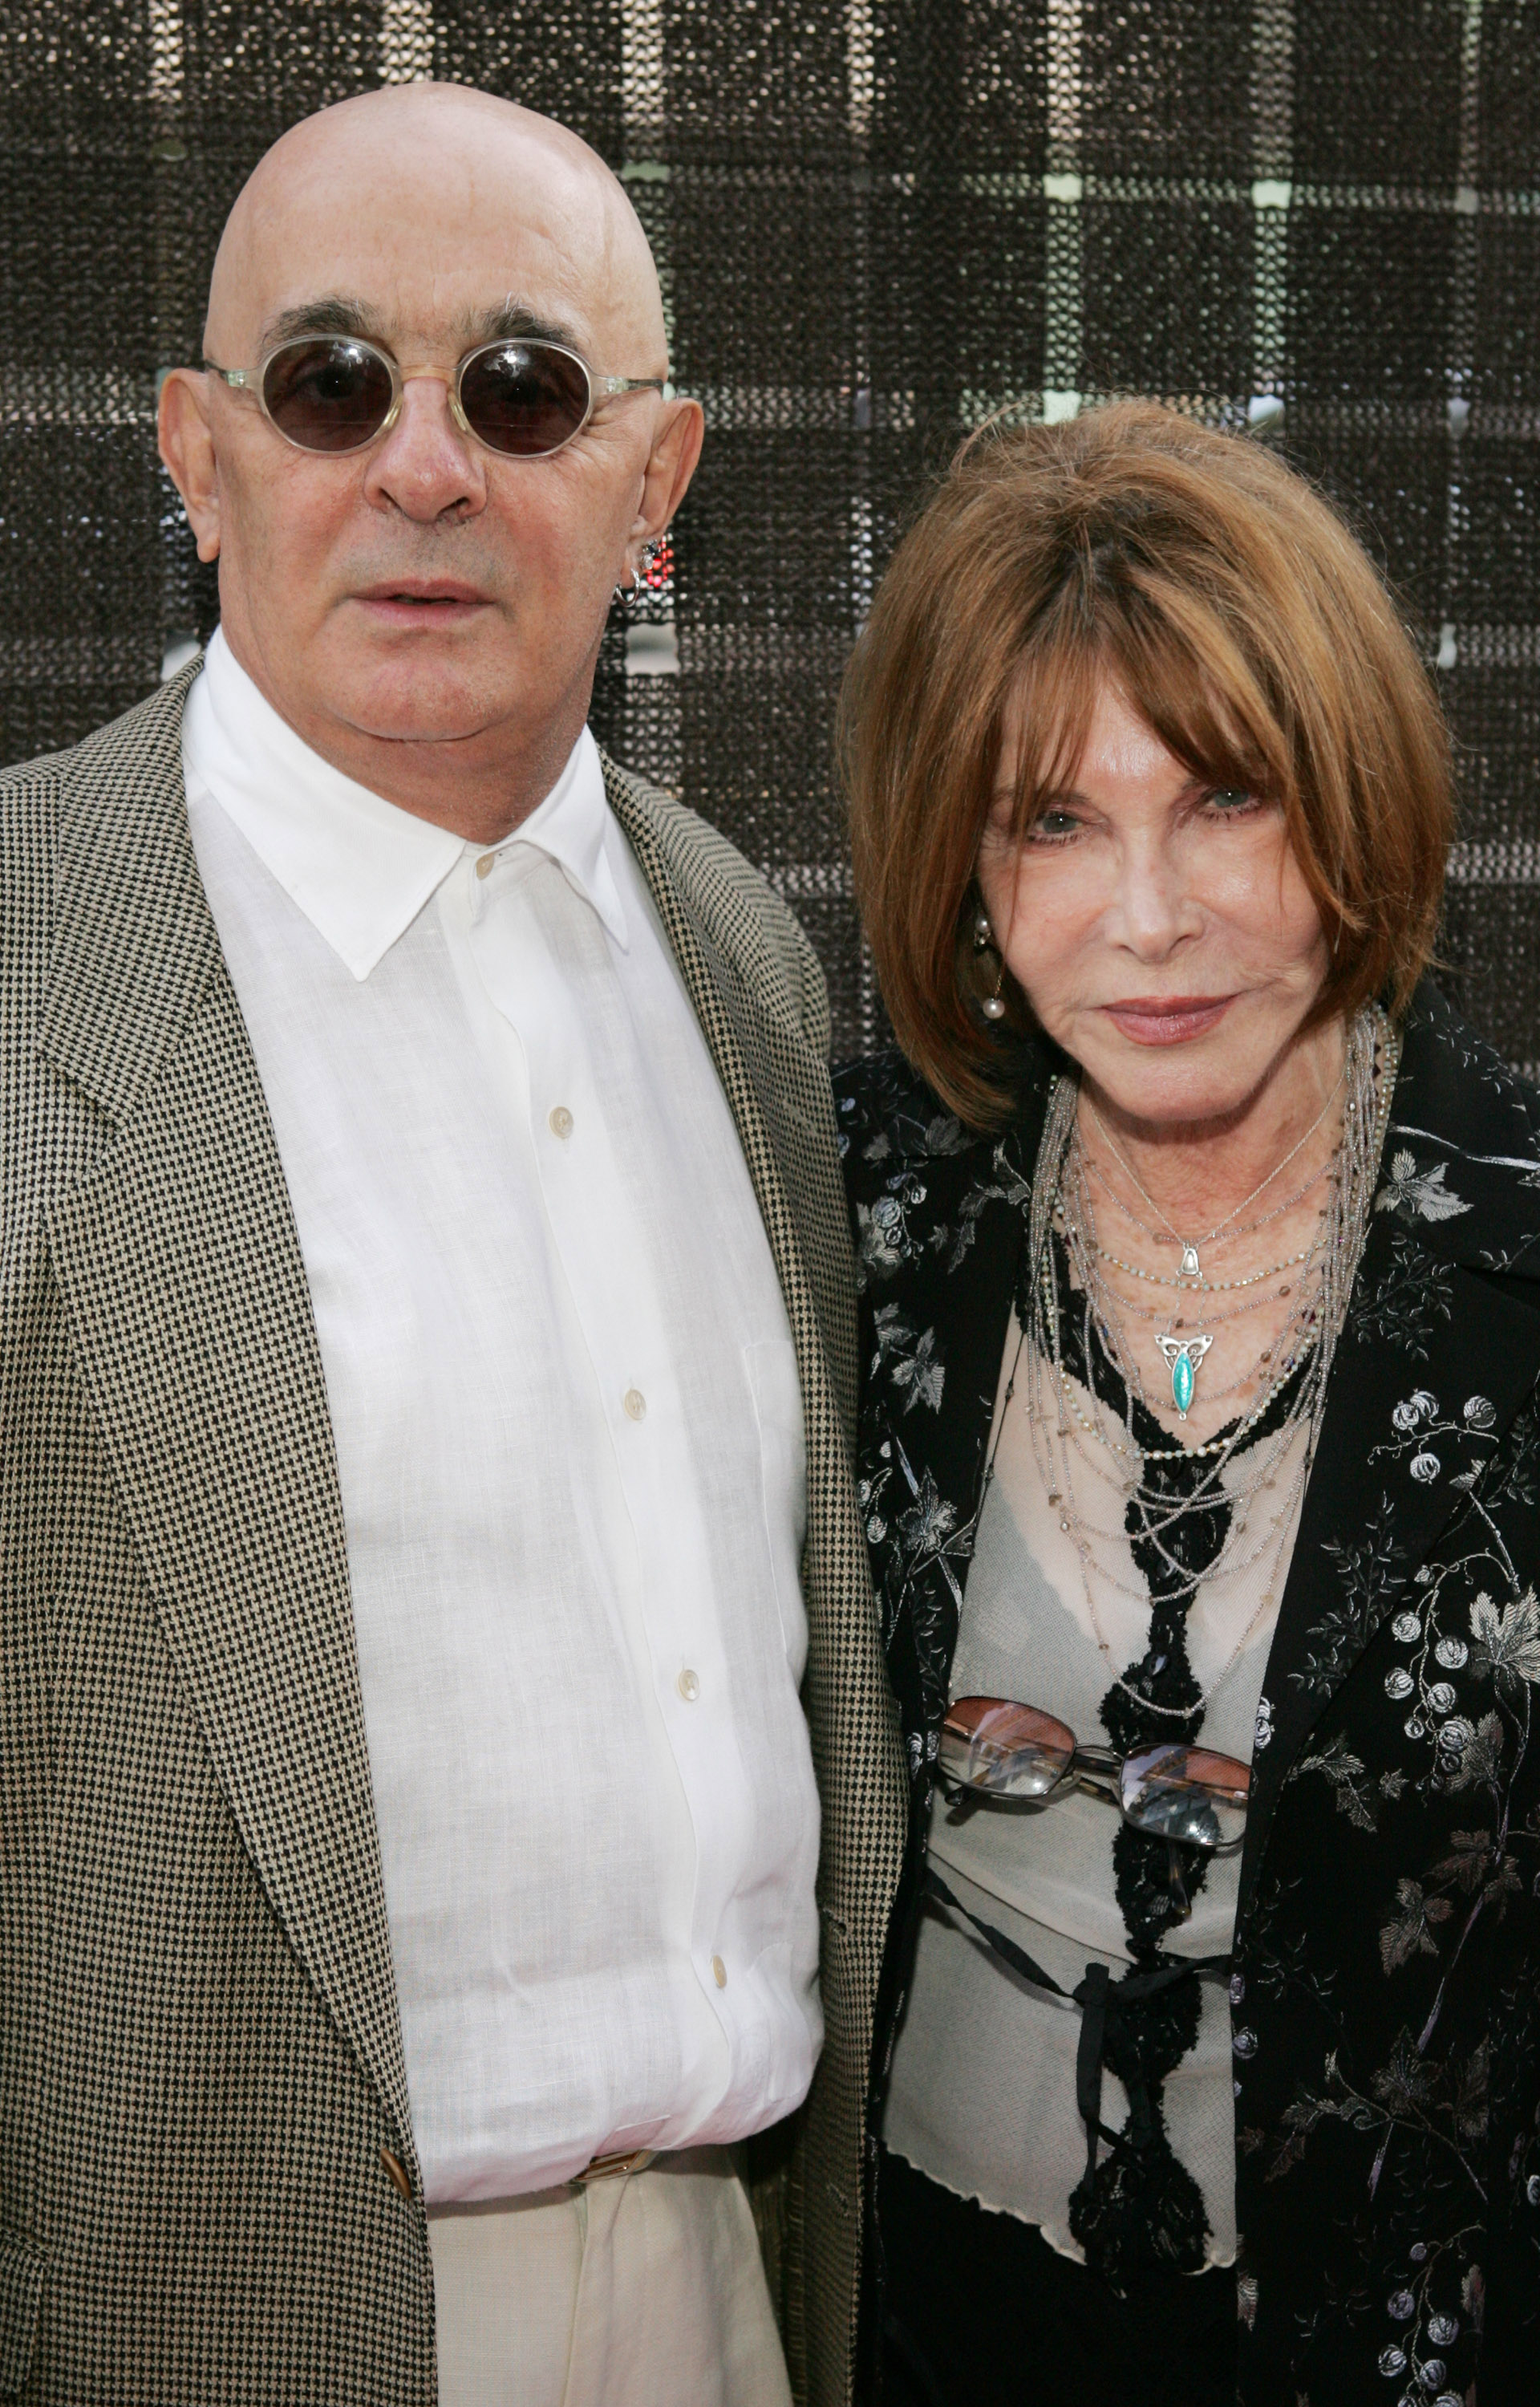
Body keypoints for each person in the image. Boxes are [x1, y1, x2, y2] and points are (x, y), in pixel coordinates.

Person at [0, 83, 906, 2407]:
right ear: (196, 459)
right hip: (188, 2301)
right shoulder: (16, 954)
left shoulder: (744, 955)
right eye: (330, 386)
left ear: (656, 481)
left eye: (518, 390)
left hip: (741, 2291)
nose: (423, 468)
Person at [835, 400, 1540, 2407]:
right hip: (922, 2313)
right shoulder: (849, 1204)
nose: (1147, 917)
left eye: (1225, 798)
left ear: (1355, 806)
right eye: (1052, 819)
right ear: (961, 865)